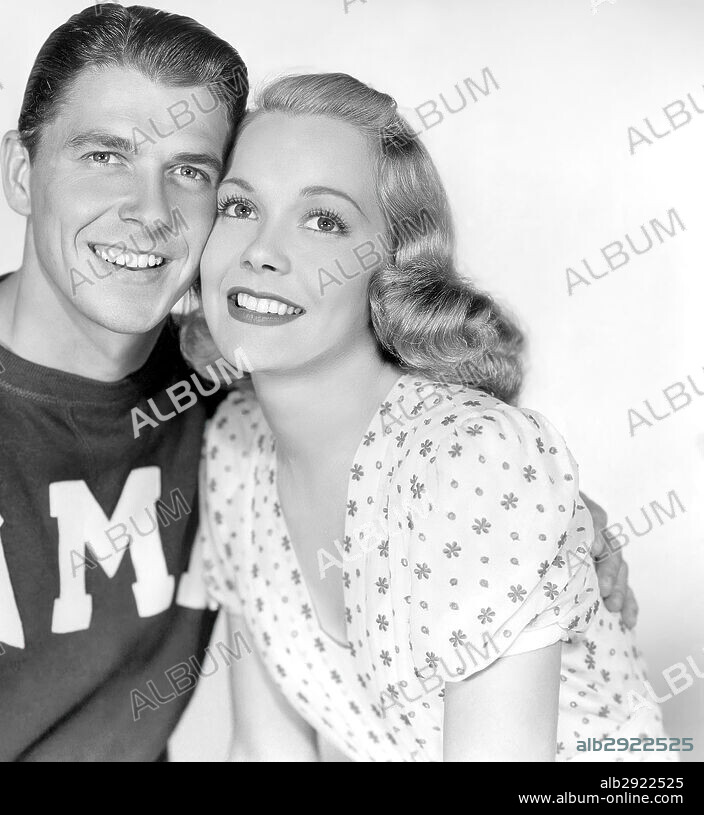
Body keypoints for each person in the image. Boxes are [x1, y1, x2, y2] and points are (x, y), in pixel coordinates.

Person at [0, 5, 633, 761]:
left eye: (190, 173)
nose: (147, 212)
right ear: (21, 173)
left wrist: (564, 523)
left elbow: (438, 458)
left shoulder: (225, 393)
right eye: (103, 155)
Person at [184, 73, 666, 761]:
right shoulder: (235, 443)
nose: (262, 249)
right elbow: (263, 749)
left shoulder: (471, 460)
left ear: (394, 267)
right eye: (238, 207)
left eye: (324, 220)